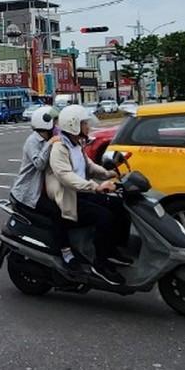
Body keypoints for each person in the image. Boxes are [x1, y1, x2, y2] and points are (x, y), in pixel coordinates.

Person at [46, 105, 127, 283]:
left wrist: (109, 174)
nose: (88, 127)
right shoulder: (59, 147)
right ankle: (100, 263)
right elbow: (65, 176)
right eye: (84, 124)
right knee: (104, 217)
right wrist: (95, 187)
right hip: (69, 197)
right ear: (73, 124)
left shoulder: (77, 144)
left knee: (120, 205)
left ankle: (113, 249)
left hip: (82, 192)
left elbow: (88, 166)